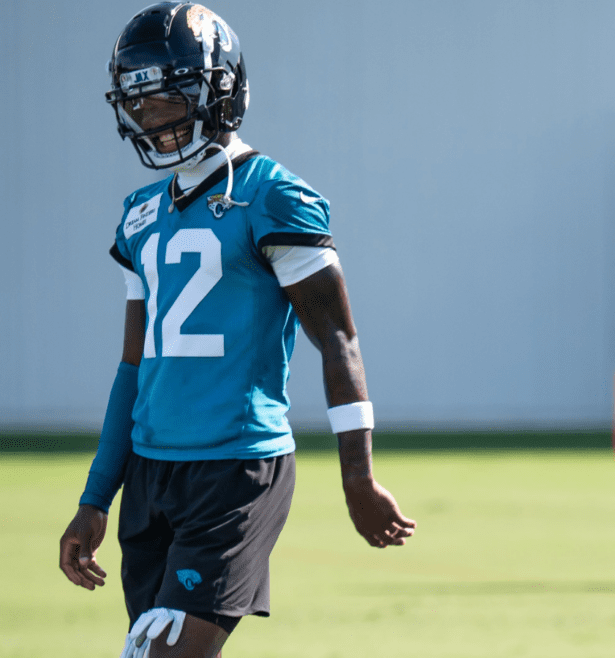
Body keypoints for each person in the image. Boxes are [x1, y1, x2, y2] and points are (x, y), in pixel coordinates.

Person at [57, 4, 416, 657]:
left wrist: (358, 476)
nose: (154, 121)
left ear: (220, 91)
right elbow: (134, 368)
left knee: (167, 653)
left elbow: (338, 340)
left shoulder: (273, 196)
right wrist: (96, 497)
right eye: (140, 106)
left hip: (235, 469)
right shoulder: (139, 214)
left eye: (169, 101)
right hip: (150, 474)